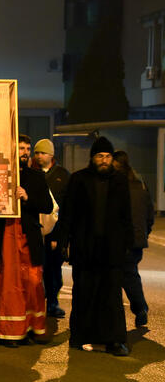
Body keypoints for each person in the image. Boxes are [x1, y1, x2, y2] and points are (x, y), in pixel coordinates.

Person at [61, 137, 132, 356]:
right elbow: (68, 213)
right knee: (84, 295)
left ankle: (115, 340)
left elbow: (126, 216)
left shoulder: (120, 181)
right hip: (85, 249)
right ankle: (80, 336)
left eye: (108, 156)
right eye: (100, 156)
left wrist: (127, 244)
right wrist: (64, 242)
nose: (104, 160)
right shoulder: (79, 179)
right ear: (93, 158)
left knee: (111, 297)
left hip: (111, 251)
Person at [0, 136, 53, 347]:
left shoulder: (36, 176)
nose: (25, 152)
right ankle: (8, 333)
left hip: (27, 237)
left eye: (27, 148)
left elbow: (47, 206)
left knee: (31, 283)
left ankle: (28, 329)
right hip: (3, 237)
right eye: (21, 148)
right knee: (7, 285)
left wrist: (28, 197)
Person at [113, 150, 153, 327]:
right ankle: (139, 308)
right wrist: (144, 232)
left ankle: (139, 308)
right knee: (130, 274)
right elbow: (149, 214)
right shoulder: (140, 184)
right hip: (137, 239)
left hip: (123, 240)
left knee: (125, 276)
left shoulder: (117, 185)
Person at [33, 138, 70, 319]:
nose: (39, 156)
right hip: (35, 230)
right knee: (36, 268)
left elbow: (67, 207)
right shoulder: (31, 173)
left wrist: (60, 236)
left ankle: (53, 302)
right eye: (36, 153)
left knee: (54, 268)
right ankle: (38, 303)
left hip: (55, 231)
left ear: (51, 155)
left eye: (43, 153)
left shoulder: (62, 175)